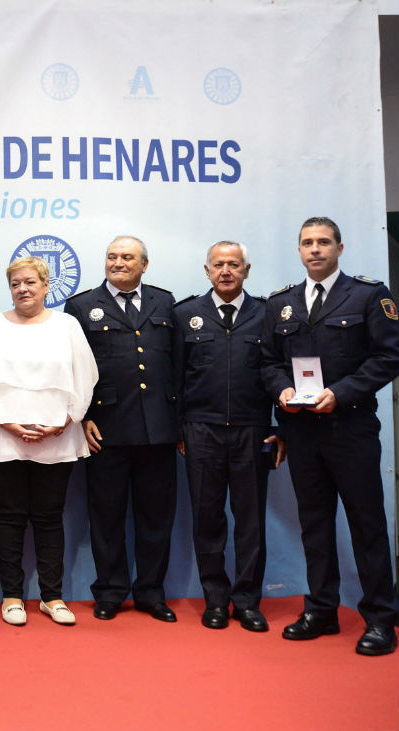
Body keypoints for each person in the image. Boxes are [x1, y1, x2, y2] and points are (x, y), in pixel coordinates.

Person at [260, 216, 399, 656]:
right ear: (298, 251)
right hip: (302, 433)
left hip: (351, 429)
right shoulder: (280, 303)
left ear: (340, 248)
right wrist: (281, 389)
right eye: (307, 243)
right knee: (314, 525)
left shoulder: (368, 295)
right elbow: (266, 361)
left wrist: (340, 393)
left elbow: (389, 356)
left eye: (323, 242)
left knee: (367, 525)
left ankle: (380, 618)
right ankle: (321, 609)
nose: (315, 249)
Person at [0, 256, 96, 627]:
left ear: (45, 285)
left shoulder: (68, 325)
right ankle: (12, 597)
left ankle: (52, 597)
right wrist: (5, 422)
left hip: (56, 439)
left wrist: (63, 423)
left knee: (48, 518)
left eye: (30, 282)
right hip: (2, 437)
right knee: (9, 518)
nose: (22, 289)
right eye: (15, 284)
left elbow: (86, 376)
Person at [63, 235, 180, 622]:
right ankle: (110, 591)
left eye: (127, 257)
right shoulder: (81, 306)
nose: (118, 262)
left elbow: (177, 365)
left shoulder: (165, 301)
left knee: (156, 516)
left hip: (158, 430)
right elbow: (73, 368)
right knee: (107, 516)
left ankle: (151, 592)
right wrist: (84, 417)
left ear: (144, 264)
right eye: (112, 256)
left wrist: (178, 422)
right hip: (106, 429)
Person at [175, 241, 283, 632]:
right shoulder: (186, 314)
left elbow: (279, 373)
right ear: (207, 271)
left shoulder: (268, 314)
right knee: (207, 519)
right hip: (200, 430)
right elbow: (175, 378)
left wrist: (279, 427)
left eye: (233, 265)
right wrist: (179, 430)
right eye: (218, 265)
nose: (225, 271)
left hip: (252, 430)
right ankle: (216, 601)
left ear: (246, 270)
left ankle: (248, 602)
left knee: (250, 520)